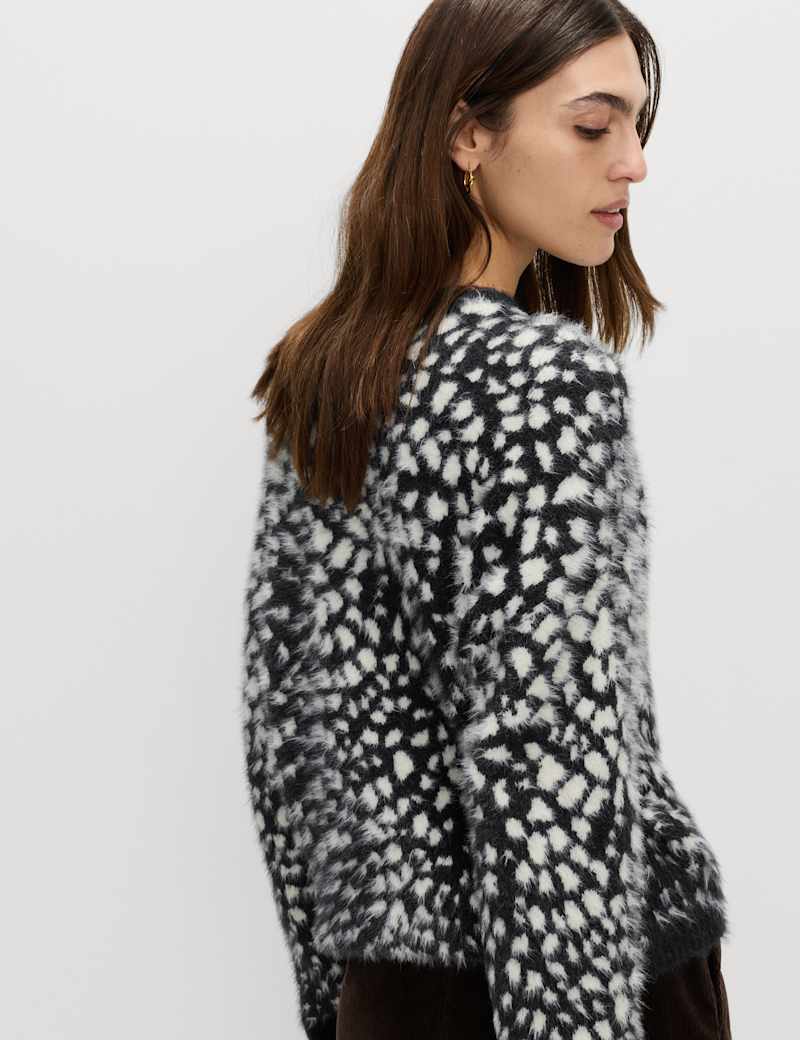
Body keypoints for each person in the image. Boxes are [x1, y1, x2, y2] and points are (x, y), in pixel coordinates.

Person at [240, 2, 733, 1038]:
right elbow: (550, 770)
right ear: (467, 134)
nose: (633, 164)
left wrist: (341, 1000)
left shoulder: (328, 372)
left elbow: (287, 733)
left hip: (393, 984)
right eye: (592, 125)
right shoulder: (540, 383)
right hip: (591, 985)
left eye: (636, 126)